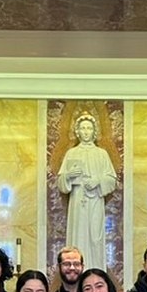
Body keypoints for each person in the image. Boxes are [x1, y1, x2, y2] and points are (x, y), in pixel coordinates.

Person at [57, 113, 117, 270]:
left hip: (95, 200)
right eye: (82, 128)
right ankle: (75, 270)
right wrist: (69, 176)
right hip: (77, 201)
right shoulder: (72, 153)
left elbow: (111, 179)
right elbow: (61, 182)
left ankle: (96, 271)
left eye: (89, 128)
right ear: (78, 131)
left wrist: (97, 181)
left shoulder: (101, 154)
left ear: (94, 131)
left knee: (95, 238)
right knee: (78, 235)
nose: (85, 131)